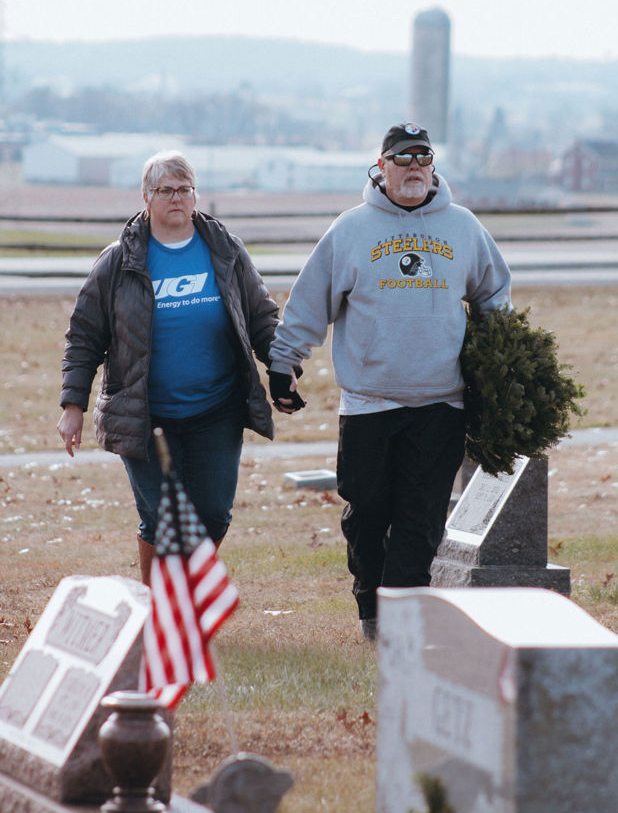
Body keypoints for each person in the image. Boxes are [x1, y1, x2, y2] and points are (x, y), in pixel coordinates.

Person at [268, 122, 511, 640]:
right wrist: (284, 363)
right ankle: (371, 608)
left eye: (423, 157)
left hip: (441, 402)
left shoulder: (463, 227)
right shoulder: (351, 229)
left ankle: (401, 622)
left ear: (433, 166)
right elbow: (310, 302)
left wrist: (503, 368)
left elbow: (495, 298)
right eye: (403, 158)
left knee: (421, 520)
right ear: (381, 167)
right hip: (369, 402)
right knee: (368, 513)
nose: (414, 167)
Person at [57, 150, 279, 584]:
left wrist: (283, 369)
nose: (176, 198)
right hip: (144, 413)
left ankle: (185, 591)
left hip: (216, 409)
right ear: (146, 197)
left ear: (195, 195)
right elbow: (84, 335)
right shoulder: (118, 261)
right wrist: (72, 405)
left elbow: (261, 318)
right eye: (165, 190)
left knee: (213, 512)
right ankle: (157, 603)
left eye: (184, 189)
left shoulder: (225, 251)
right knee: (161, 518)